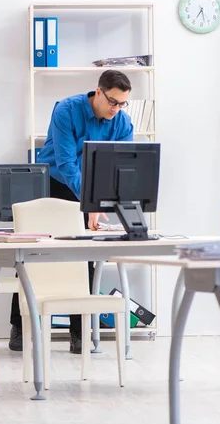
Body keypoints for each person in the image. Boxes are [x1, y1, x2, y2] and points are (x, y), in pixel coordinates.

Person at [9, 69, 134, 354]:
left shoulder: (123, 122)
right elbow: (66, 164)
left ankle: (80, 333)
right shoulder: (67, 110)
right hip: (54, 182)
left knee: (83, 258)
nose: (116, 109)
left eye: (122, 103)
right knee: (31, 255)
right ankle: (19, 327)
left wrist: (105, 200)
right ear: (98, 92)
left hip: (90, 185)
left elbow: (122, 164)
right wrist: (88, 202)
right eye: (112, 101)